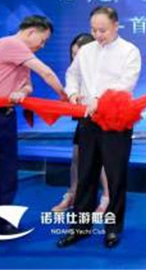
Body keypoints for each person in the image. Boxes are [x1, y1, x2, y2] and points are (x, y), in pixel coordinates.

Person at [0, 15, 67, 255]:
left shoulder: (21, 57)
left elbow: (27, 85)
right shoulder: (9, 44)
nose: (42, 45)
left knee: (6, 175)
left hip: (6, 118)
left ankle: (2, 222)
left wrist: (22, 92)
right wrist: (65, 96)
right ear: (31, 32)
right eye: (42, 40)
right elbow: (46, 73)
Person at [57, 6, 141, 249]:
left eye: (102, 30)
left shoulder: (129, 51)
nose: (97, 35)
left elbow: (126, 84)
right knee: (85, 175)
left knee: (115, 177)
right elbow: (72, 75)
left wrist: (99, 99)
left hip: (115, 120)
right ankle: (80, 228)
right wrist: (73, 93)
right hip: (88, 120)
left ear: (116, 26)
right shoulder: (86, 50)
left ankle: (112, 229)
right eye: (94, 30)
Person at [51, 33, 110, 214]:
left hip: (103, 116)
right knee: (77, 156)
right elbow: (71, 85)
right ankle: (73, 194)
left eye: (79, 55)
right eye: (73, 55)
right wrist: (73, 94)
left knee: (101, 160)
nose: (76, 59)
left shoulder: (105, 67)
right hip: (83, 117)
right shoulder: (75, 71)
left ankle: (106, 198)